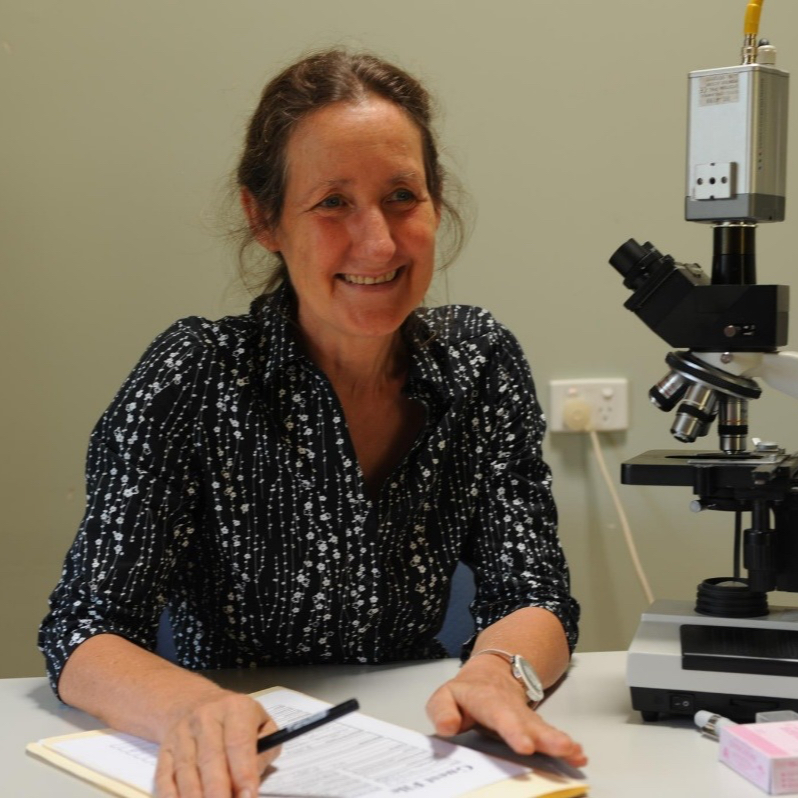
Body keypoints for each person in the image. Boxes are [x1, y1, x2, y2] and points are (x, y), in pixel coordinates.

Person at [39, 49, 585, 798]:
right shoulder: (195, 374)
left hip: (417, 749)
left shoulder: (479, 361)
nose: (379, 243)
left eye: (402, 196)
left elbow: (534, 590)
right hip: (244, 760)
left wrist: (497, 673)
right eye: (333, 202)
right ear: (263, 218)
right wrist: (190, 708)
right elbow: (83, 627)